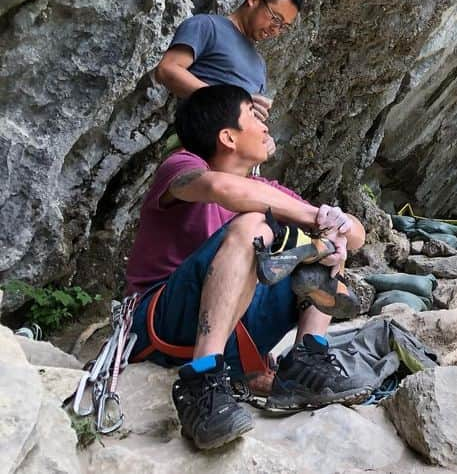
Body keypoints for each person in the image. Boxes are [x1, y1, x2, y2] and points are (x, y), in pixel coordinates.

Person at [125, 85, 367, 450]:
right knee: (258, 225)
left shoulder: (266, 187)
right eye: (254, 118)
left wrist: (336, 231)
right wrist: (316, 220)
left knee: (321, 251)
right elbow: (221, 188)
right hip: (159, 323)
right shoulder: (183, 166)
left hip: (238, 330)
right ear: (227, 136)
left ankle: (305, 360)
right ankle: (201, 381)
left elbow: (358, 235)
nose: (267, 128)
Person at [154, 0, 302, 123]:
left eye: (284, 27)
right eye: (276, 18)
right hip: (199, 140)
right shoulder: (207, 26)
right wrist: (230, 102)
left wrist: (265, 138)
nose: (276, 30)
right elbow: (166, 69)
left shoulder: (260, 65)